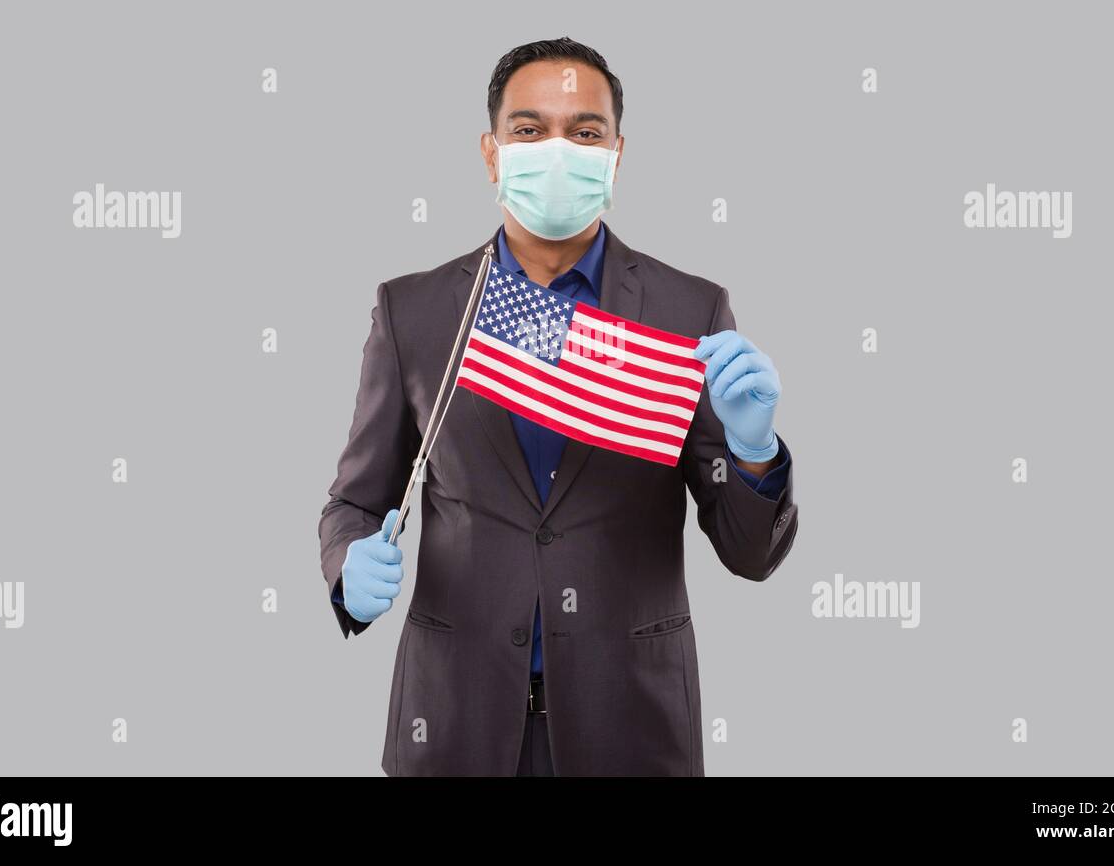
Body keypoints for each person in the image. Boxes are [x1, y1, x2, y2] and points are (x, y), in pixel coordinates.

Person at [319, 38, 798, 776]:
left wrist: (754, 452)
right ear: (490, 152)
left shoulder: (688, 309)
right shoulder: (414, 311)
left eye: (583, 132)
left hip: (631, 726)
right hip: (454, 723)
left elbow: (750, 553)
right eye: (528, 129)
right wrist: (348, 562)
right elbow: (355, 499)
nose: (556, 150)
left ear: (615, 153)